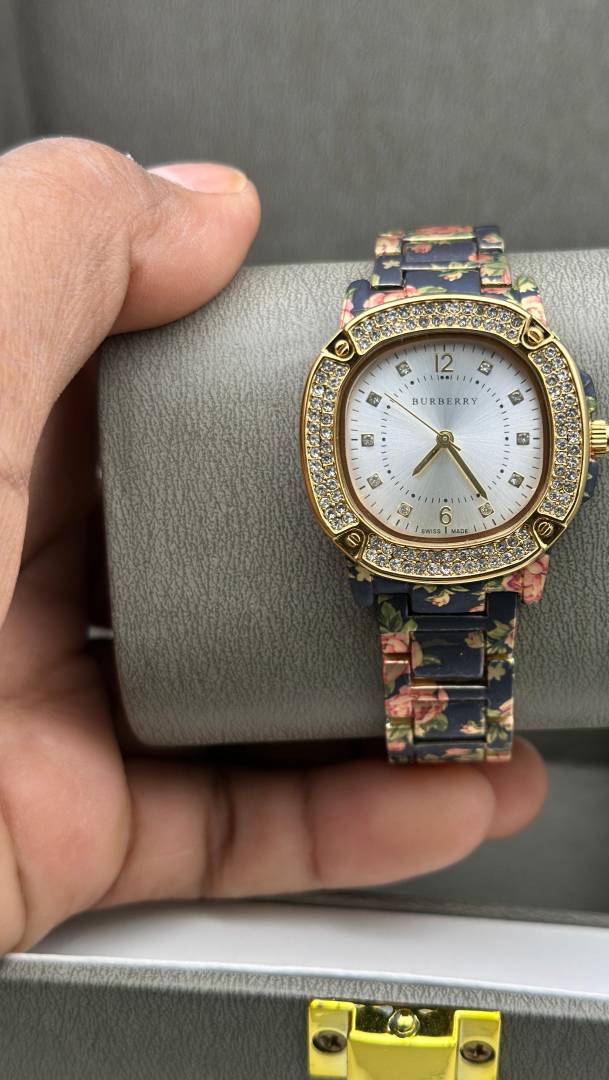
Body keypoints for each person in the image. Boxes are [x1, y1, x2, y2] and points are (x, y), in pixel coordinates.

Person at [0, 138, 547, 954]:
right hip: (388, 559)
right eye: (430, 427)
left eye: (456, 430)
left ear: (577, 440)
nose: (442, 435)